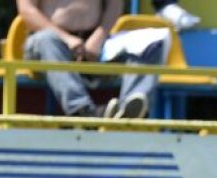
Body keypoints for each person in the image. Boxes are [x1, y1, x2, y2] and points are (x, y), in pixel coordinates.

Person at [17, 0, 169, 119]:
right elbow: (27, 11)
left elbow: (115, 5)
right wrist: (67, 39)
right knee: (46, 39)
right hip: (49, 42)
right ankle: (81, 110)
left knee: (151, 42)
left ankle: (131, 109)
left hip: (96, 42)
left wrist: (98, 37)